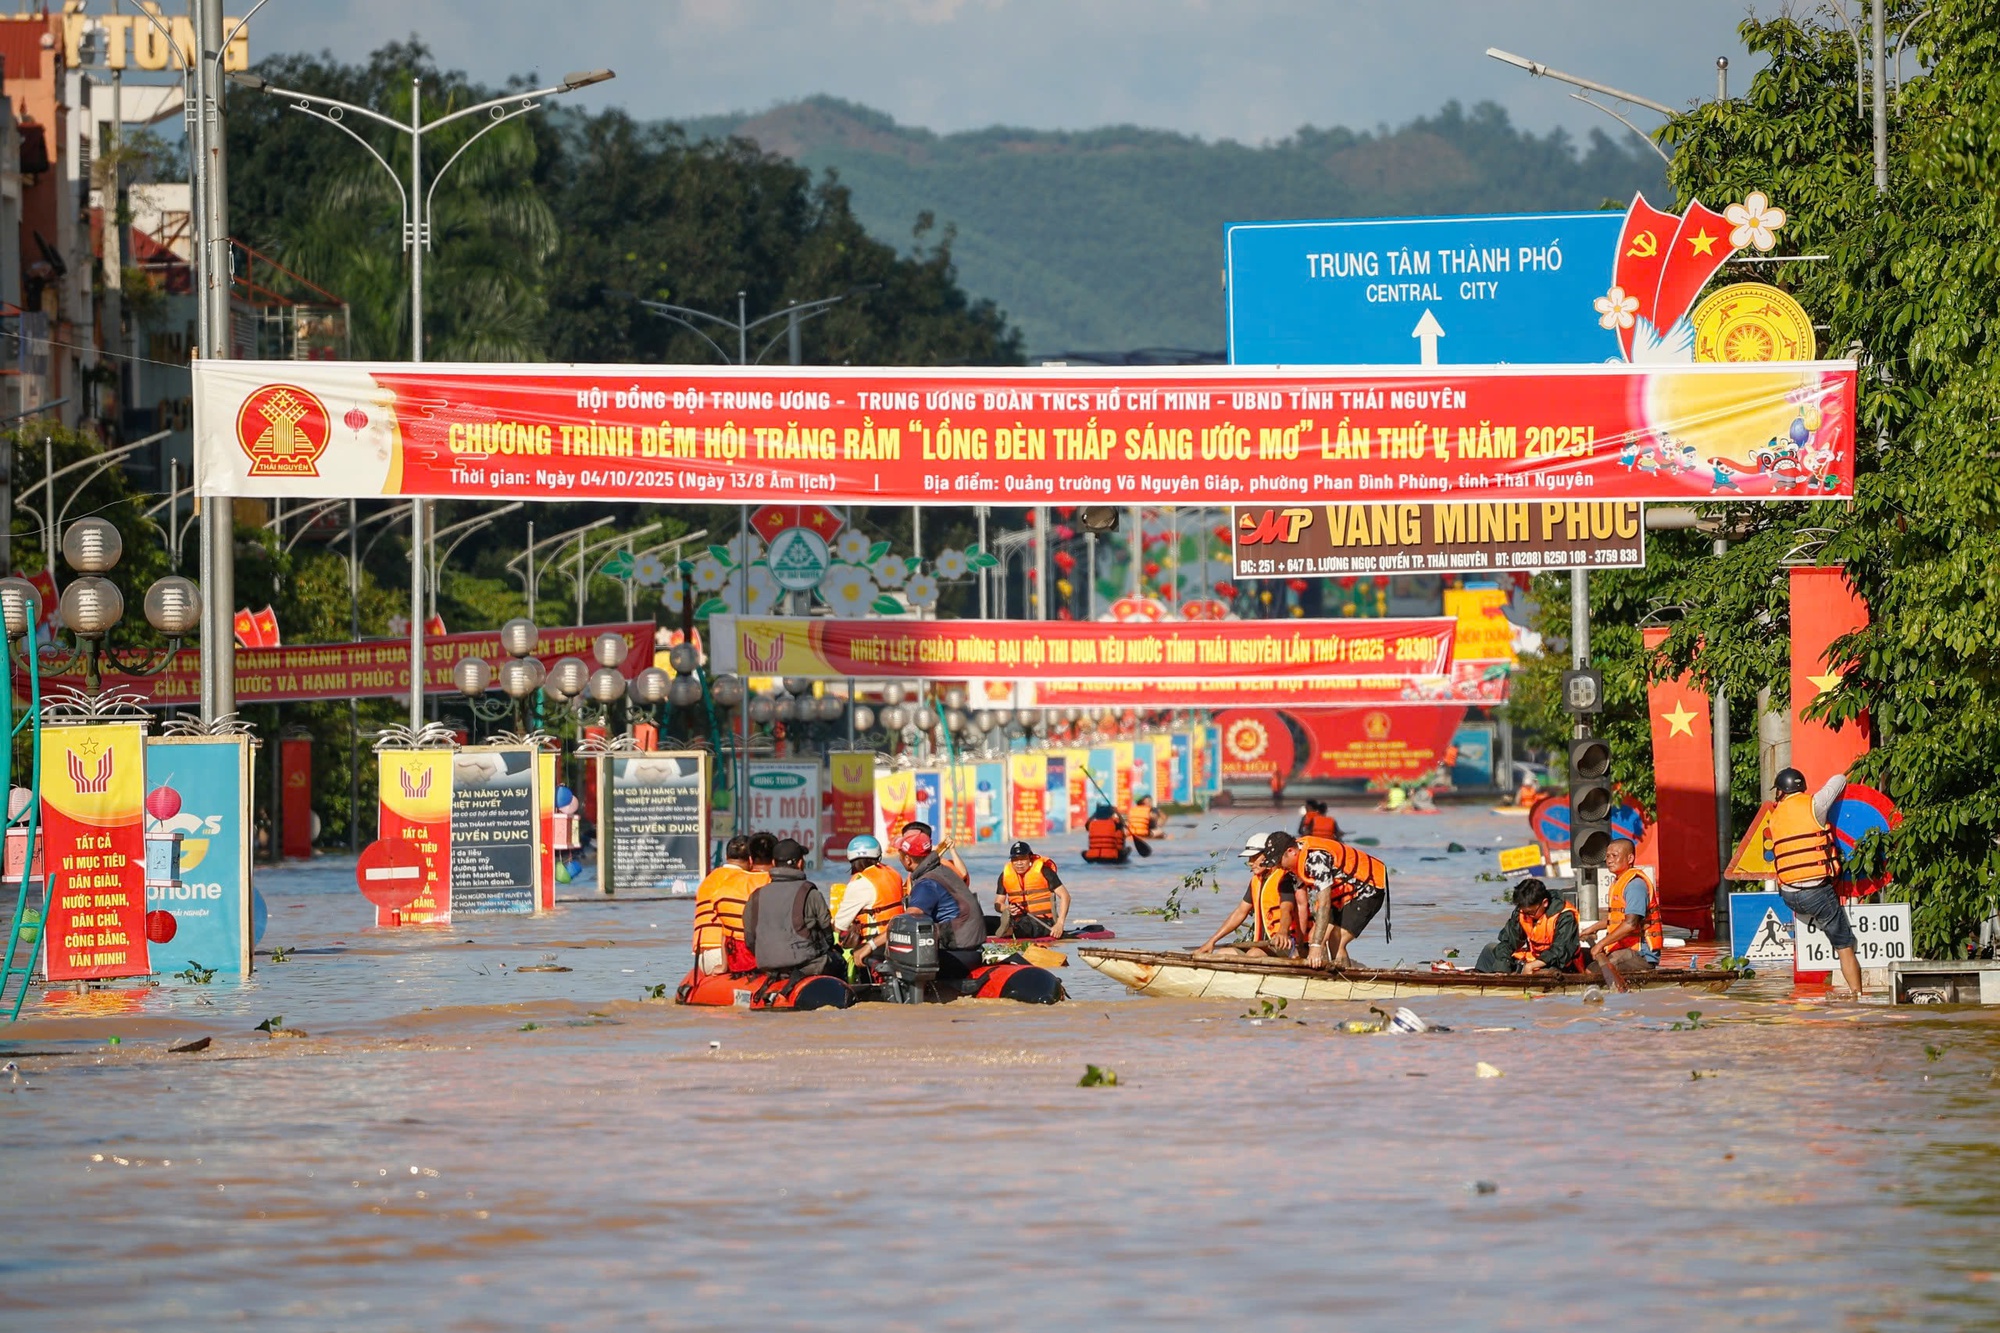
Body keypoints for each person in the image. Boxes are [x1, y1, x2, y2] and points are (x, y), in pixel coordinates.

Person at [1764, 767, 1863, 995]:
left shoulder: (1775, 817)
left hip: (1788, 894)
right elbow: (1838, 781)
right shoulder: (1815, 804)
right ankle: (1857, 996)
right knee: (1845, 945)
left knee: (1821, 910)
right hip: (1815, 894)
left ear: (1781, 791)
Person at [1195, 831, 1306, 957]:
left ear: (1268, 855)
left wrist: (1283, 932)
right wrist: (1212, 941)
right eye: (1249, 859)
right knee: (1223, 953)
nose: (1250, 863)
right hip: (1264, 945)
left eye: (1253, 858)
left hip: (1285, 944)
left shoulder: (1284, 878)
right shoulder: (1256, 881)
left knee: (1254, 953)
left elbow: (1287, 909)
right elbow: (1240, 912)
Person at [897, 827, 987, 982]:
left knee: (894, 958)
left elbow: (907, 921)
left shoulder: (927, 883)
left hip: (957, 953)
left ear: (907, 859)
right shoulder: (942, 869)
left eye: (899, 854)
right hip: (972, 948)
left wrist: (871, 945)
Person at [742, 837, 841, 978]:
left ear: (774, 863)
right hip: (806, 964)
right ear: (800, 863)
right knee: (839, 962)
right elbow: (828, 936)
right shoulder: (810, 893)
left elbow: (750, 939)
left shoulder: (756, 896)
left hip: (768, 965)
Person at [1294, 833, 1390, 969]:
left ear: (1290, 852)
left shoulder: (1316, 859)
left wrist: (1316, 946)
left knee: (1336, 941)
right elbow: (1301, 903)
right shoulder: (1292, 862)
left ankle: (1345, 981)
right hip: (1340, 892)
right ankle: (1324, 974)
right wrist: (1303, 941)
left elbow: (1324, 903)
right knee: (1313, 937)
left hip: (1367, 886)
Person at [1587, 837, 1661, 978]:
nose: (1609, 860)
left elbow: (1630, 923)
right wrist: (1592, 929)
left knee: (1592, 972)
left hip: (1640, 954)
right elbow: (1616, 918)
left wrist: (1600, 944)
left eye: (1614, 856)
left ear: (1630, 858)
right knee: (1591, 966)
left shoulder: (1634, 885)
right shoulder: (1619, 882)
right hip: (1626, 949)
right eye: (1607, 856)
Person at [691, 834, 765, 975]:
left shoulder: (709, 879)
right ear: (751, 860)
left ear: (726, 856)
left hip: (702, 957)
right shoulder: (746, 881)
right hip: (727, 953)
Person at [831, 834, 907, 967]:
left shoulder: (861, 883)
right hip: (898, 940)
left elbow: (839, 925)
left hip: (874, 946)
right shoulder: (893, 873)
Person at [1475, 878, 1580, 973]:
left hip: (1557, 964)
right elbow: (1507, 942)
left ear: (1545, 903)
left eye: (1531, 913)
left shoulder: (1565, 916)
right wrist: (1502, 968)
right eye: (1523, 912)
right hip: (1531, 959)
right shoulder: (1522, 911)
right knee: (1490, 949)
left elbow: (1560, 951)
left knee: (1549, 971)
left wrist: (1532, 966)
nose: (1526, 916)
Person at [995, 840, 1070, 939]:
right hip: (1017, 919)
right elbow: (998, 904)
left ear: (1030, 858)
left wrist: (1060, 924)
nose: (1019, 863)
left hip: (1043, 921)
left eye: (1023, 859)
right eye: (1015, 860)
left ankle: (1010, 931)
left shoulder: (1044, 871)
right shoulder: (1005, 875)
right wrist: (1006, 908)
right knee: (989, 922)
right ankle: (1007, 929)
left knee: (1026, 925)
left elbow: (1065, 896)